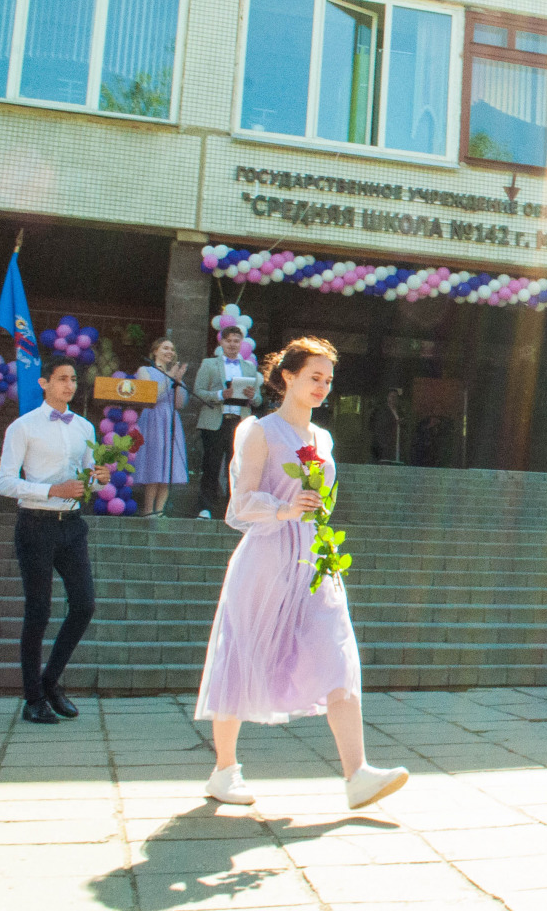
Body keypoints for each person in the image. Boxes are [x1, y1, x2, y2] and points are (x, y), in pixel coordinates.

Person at [195, 337, 408, 808]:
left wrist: (313, 514)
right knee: (244, 651)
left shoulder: (323, 439)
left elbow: (322, 502)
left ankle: (358, 775)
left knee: (338, 651)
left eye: (328, 381)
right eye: (314, 377)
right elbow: (239, 504)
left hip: (313, 560)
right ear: (287, 376)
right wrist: (286, 509)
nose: (322, 387)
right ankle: (224, 770)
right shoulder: (259, 431)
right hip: (267, 559)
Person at [0, 355, 110, 725]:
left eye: (74, 379)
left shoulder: (83, 428)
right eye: (62, 379)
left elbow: (88, 478)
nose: (70, 386)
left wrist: (100, 477)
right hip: (35, 524)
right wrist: (51, 490)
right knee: (39, 610)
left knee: (84, 605)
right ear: (44, 383)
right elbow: (5, 482)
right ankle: (33, 698)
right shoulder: (23, 426)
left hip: (72, 524)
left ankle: (49, 680)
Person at [194, 326, 262, 520]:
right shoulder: (209, 364)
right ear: (221, 342)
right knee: (211, 466)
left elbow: (257, 400)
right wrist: (220, 394)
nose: (233, 345)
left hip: (239, 424)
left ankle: (234, 509)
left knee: (238, 467)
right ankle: (205, 508)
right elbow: (198, 391)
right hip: (216, 421)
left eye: (236, 341)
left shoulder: (249, 367)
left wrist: (252, 396)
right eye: (229, 341)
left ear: (241, 344)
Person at [136, 337, 190, 517]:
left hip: (171, 419)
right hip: (154, 418)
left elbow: (179, 404)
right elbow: (151, 396)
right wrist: (170, 378)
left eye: (172, 349)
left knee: (168, 465)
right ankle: (148, 509)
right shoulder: (145, 371)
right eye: (166, 348)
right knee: (155, 463)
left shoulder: (173, 375)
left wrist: (178, 382)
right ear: (155, 351)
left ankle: (160, 510)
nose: (170, 352)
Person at [368, 387, 405, 464]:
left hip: (398, 447)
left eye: (396, 397)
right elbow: (379, 428)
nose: (394, 399)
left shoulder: (400, 412)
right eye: (392, 396)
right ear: (388, 398)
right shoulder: (382, 412)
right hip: (385, 449)